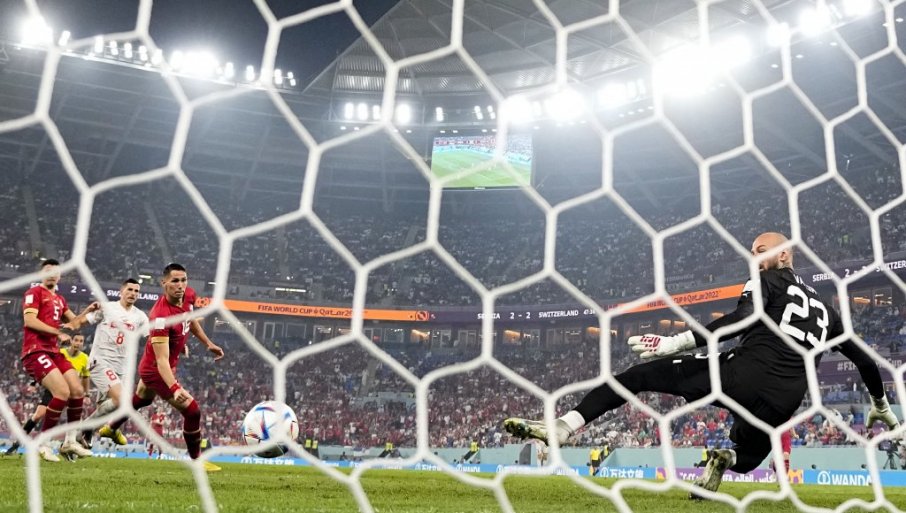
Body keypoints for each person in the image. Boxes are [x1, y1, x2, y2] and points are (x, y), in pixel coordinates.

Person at [503, 233, 900, 497]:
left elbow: (739, 320)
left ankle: (564, 427)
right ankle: (725, 460)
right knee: (754, 450)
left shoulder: (768, 281)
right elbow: (864, 359)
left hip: (742, 374)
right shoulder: (828, 312)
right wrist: (881, 406)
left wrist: (673, 342)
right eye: (751, 251)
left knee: (639, 375)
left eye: (761, 249)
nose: (754, 256)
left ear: (784, 254)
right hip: (786, 398)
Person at [99, 263, 224, 472]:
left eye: (183, 280)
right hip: (155, 370)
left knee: (142, 399)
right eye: (175, 281)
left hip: (158, 364)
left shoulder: (189, 295)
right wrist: (174, 388)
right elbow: (161, 361)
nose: (180, 285)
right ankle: (197, 462)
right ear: (164, 283)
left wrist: (207, 343)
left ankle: (110, 428)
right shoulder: (159, 317)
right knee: (192, 411)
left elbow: (189, 320)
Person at [20, 259, 98, 461]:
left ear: (60, 276)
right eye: (48, 270)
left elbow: (74, 323)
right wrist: (57, 332)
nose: (52, 274)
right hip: (35, 351)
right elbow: (29, 320)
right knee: (62, 392)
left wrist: (88, 312)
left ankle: (69, 442)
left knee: (77, 390)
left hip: (53, 352)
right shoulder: (34, 293)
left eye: (56, 271)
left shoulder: (60, 300)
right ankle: (43, 443)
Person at [80, 279, 150, 447]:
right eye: (130, 289)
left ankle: (78, 439)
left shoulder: (140, 316)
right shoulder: (107, 308)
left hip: (123, 366)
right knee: (122, 400)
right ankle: (86, 428)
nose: (133, 293)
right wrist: (72, 322)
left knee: (109, 406)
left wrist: (173, 345)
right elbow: (84, 321)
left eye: (136, 291)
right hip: (101, 361)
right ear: (121, 291)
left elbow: (150, 338)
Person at [59, 334, 92, 458]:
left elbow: (86, 377)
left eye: (81, 341)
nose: (78, 343)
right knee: (42, 414)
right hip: (58, 389)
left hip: (73, 392)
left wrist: (87, 394)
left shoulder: (85, 358)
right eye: (76, 340)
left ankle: (69, 444)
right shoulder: (61, 353)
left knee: (75, 419)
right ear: (71, 341)